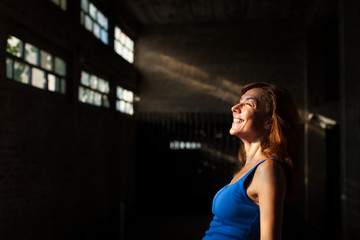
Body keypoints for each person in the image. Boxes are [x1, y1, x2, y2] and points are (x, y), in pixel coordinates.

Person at [203, 82, 301, 240]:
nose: (234, 107)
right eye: (239, 101)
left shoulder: (268, 168)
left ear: (269, 121)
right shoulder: (247, 167)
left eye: (248, 103)